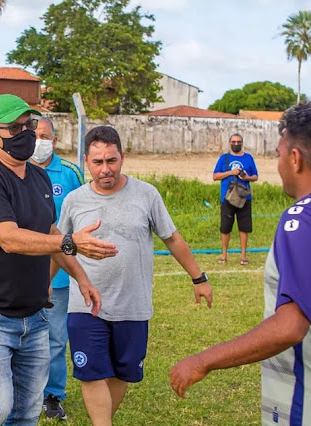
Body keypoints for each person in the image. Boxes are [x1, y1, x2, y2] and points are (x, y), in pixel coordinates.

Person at [0, 94, 118, 426]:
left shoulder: (38, 177)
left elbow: (49, 232)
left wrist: (82, 278)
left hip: (34, 314)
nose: (25, 133)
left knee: (28, 412)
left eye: (29, 125)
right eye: (14, 128)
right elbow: (9, 237)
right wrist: (70, 240)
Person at [57, 126, 213, 425]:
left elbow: (173, 239)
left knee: (122, 372)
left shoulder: (146, 194)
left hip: (133, 304)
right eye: (98, 162)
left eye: (111, 161)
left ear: (122, 158)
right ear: (86, 162)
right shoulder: (74, 201)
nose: (106, 169)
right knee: (91, 372)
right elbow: (60, 246)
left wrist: (199, 278)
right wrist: (46, 285)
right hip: (86, 303)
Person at [171, 103, 311, 425]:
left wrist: (204, 359)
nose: (278, 164)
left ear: (295, 158)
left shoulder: (300, 220)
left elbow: (291, 325)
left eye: (278, 155)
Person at [29, 116, 84, 420]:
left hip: (59, 274)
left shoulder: (70, 173)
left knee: (54, 337)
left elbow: (84, 216)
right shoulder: (17, 171)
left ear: (55, 139)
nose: (40, 141)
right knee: (20, 334)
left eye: (45, 136)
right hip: (23, 270)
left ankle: (53, 395)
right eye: (36, 135)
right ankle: (25, 391)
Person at [212, 133, 259, 265]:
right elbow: (215, 176)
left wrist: (247, 177)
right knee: (225, 227)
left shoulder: (249, 158)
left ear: (242, 143)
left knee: (244, 227)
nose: (236, 144)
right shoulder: (224, 158)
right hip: (227, 198)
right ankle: (224, 255)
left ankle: (243, 256)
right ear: (229, 143)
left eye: (239, 142)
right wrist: (230, 173)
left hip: (244, 198)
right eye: (234, 142)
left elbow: (255, 176)